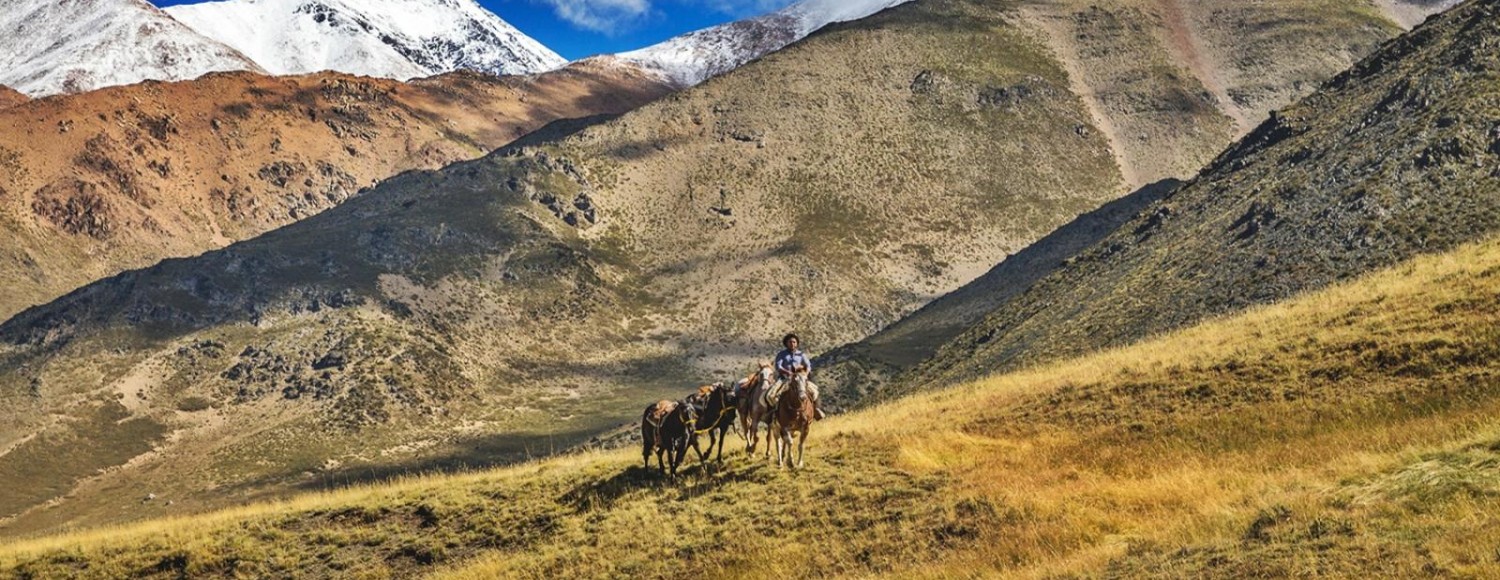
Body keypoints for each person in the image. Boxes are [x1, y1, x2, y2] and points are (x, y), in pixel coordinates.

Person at [772, 333, 824, 420]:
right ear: (786, 343)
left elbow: (808, 366)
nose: (792, 344)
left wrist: (805, 374)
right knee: (772, 394)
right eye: (790, 342)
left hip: (800, 378)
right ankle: (774, 414)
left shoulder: (801, 355)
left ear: (797, 343)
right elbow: (778, 366)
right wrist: (788, 372)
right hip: (785, 379)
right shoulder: (781, 354)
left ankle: (816, 410)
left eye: (794, 342)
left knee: (815, 391)